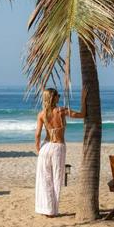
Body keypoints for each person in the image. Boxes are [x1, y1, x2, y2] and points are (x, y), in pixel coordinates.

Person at [35, 87, 86, 217]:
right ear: (53, 98)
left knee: (45, 179)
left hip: (45, 147)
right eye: (58, 95)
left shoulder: (41, 114)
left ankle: (45, 209)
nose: (59, 96)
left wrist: (38, 148)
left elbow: (37, 135)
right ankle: (52, 211)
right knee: (56, 178)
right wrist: (83, 100)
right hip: (58, 147)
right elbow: (81, 115)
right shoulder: (61, 111)